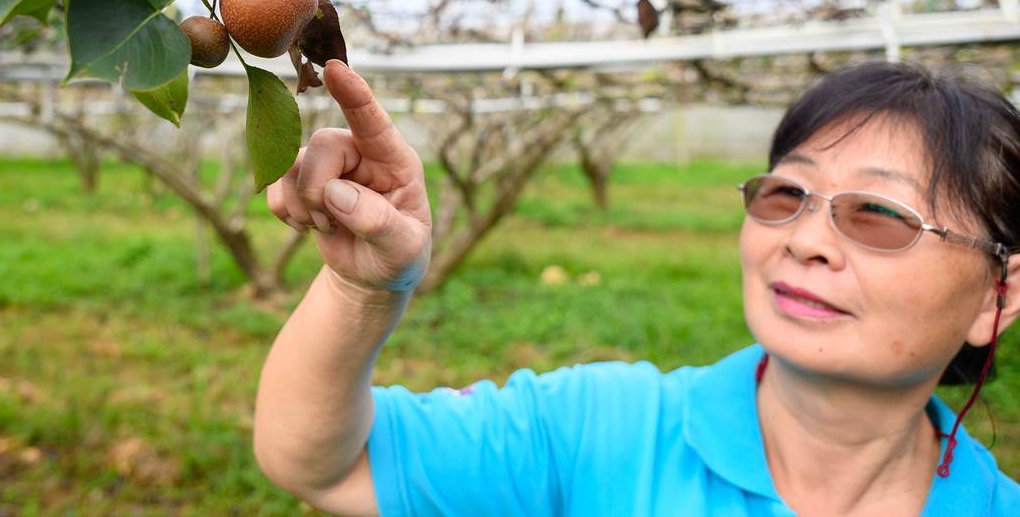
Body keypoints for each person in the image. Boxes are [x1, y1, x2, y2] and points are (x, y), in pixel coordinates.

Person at [253, 59, 1020, 516]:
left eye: (880, 215)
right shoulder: (603, 430)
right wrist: (363, 291)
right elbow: (322, 463)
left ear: (998, 295)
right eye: (787, 194)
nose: (807, 239)